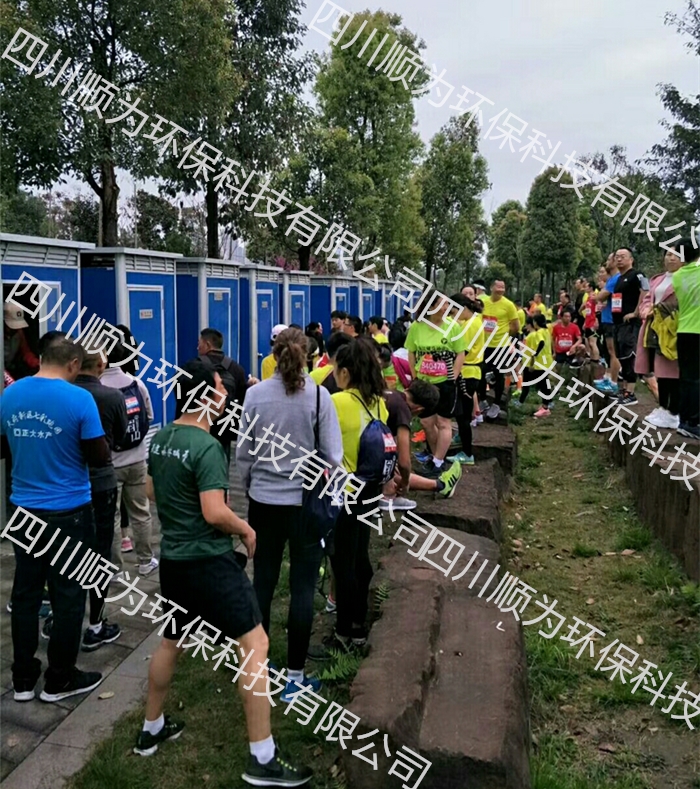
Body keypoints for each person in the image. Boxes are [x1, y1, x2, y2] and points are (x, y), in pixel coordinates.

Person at [137, 361, 312, 786]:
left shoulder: (163, 438)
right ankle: (262, 757)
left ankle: (151, 728)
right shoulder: (207, 445)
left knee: (172, 641)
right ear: (204, 396)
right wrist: (246, 529)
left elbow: (151, 490)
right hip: (210, 563)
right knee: (255, 644)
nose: (225, 395)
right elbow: (214, 512)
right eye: (219, 388)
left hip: (174, 562)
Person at [236, 328, 342, 701]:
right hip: (305, 504)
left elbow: (244, 453)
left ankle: (258, 666)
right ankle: (295, 677)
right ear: (309, 355)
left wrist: (252, 484)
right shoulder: (319, 396)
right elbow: (333, 456)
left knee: (262, 583)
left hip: (263, 503)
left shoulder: (254, 396)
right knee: (302, 588)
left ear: (274, 354)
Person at [1, 339, 107, 702]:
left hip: (23, 510)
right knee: (69, 596)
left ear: (42, 359)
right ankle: (59, 679)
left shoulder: (10, 395)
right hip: (69, 512)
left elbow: (3, 447)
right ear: (74, 364)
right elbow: (99, 457)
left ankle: (22, 679)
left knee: (26, 594)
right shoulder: (79, 399)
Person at [325, 339, 392, 651]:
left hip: (343, 492)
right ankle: (360, 623)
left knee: (343, 562)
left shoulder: (337, 402)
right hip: (369, 490)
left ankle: (345, 631)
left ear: (346, 372)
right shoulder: (378, 403)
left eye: (337, 369)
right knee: (360, 555)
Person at [73, 342, 129, 650]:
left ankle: (62, 618)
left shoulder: (65, 395)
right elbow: (120, 437)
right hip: (102, 481)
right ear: (100, 366)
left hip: (68, 482)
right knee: (100, 553)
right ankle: (96, 623)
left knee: (66, 553)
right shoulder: (112, 396)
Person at [102, 337, 159, 577]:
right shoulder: (137, 384)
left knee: (113, 516)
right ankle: (145, 561)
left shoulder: (97, 387)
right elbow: (149, 416)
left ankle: (115, 568)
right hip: (137, 459)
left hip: (110, 464)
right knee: (141, 513)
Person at [405, 299, 466, 476]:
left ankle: (438, 462)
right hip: (424, 382)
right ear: (430, 307)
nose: (446, 308)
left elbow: (460, 353)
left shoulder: (453, 326)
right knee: (426, 422)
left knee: (443, 422)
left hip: (445, 381)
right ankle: (435, 456)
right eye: (442, 304)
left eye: (447, 304)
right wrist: (415, 377)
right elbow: (411, 352)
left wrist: (453, 376)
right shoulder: (417, 327)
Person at [380, 380, 462, 511]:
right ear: (419, 409)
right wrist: (405, 482)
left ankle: (441, 485)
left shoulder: (390, 394)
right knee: (393, 472)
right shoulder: (403, 410)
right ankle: (440, 485)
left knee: (391, 467)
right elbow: (404, 462)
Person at [635, 246, 683, 430]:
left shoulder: (686, 278)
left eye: (676, 255)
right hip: (655, 329)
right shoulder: (658, 279)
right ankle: (663, 407)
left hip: (673, 329)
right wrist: (645, 309)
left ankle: (674, 411)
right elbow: (648, 298)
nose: (671, 258)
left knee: (674, 372)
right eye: (668, 254)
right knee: (660, 371)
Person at [593, 248, 649, 405]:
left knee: (629, 355)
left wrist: (636, 312)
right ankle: (624, 390)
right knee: (621, 355)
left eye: (623, 256)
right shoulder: (618, 279)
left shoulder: (637, 275)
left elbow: (646, 291)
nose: (619, 259)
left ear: (631, 259)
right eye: (617, 257)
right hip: (617, 323)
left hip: (629, 324)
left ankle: (630, 392)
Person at [446, 294, 484, 466]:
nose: (454, 315)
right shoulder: (473, 321)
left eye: (454, 311)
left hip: (467, 372)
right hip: (471, 371)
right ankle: (462, 438)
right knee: (463, 414)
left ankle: (467, 453)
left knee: (462, 415)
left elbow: (462, 352)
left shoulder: (470, 325)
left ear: (463, 308)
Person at [478, 280, 520, 419]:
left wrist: (505, 336)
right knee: (481, 372)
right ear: (491, 287)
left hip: (501, 345)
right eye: (498, 286)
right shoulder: (483, 302)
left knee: (499, 373)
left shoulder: (508, 305)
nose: (501, 289)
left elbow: (515, 326)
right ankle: (483, 400)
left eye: (503, 287)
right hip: (484, 344)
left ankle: (496, 403)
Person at [673, 239, 700, 439]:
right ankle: (694, 422)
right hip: (698, 331)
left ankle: (684, 420)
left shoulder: (678, 276)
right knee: (697, 379)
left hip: (683, 330)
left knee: (686, 378)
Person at [595, 254, 622, 394]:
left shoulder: (616, 278)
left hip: (612, 320)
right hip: (607, 319)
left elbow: (600, 297)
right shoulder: (612, 279)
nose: (607, 262)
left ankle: (613, 382)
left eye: (609, 259)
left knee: (613, 352)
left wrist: (598, 296)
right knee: (608, 351)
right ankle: (607, 377)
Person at [518, 315, 554, 417]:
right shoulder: (546, 331)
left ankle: (545, 407)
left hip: (540, 362)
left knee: (542, 385)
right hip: (547, 360)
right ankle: (547, 404)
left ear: (535, 322)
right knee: (544, 383)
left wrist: (536, 353)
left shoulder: (539, 332)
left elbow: (541, 343)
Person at [4, 304, 40, 380]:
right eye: (12, 326)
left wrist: (38, 363)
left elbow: (26, 352)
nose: (15, 329)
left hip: (10, 370)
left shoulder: (19, 332)